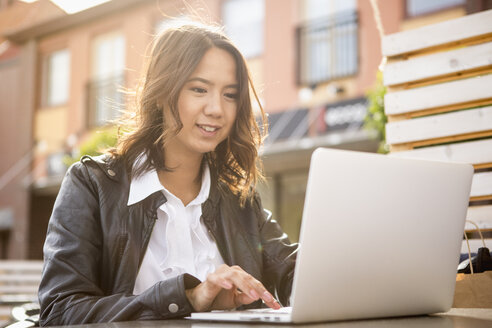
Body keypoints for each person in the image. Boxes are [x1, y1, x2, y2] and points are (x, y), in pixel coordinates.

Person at [38, 22, 297, 326]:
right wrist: (187, 298)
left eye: (230, 94)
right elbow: (60, 310)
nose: (217, 109)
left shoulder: (239, 200)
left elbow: (293, 271)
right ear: (161, 93)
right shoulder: (92, 185)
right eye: (199, 89)